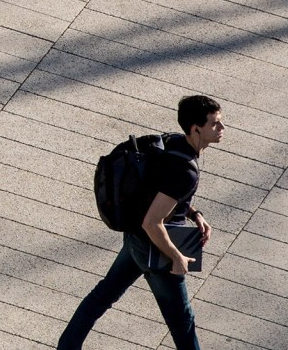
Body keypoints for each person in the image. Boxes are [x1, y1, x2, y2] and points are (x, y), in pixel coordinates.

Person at [58, 95, 225, 349]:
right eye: (215, 124)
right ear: (196, 129)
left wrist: (194, 214)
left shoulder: (172, 142)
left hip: (135, 239)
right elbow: (153, 222)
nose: (222, 129)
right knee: (183, 322)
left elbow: (162, 194)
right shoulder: (186, 171)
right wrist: (177, 257)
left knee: (103, 296)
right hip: (156, 248)